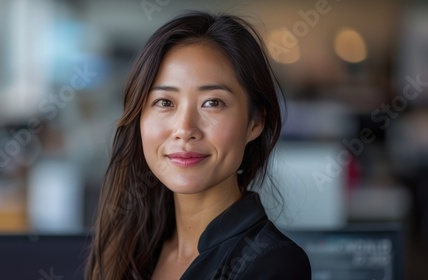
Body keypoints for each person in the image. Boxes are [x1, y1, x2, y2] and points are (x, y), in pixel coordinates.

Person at [85, 11, 311, 280]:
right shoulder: (130, 247)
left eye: (212, 103)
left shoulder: (273, 264)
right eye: (165, 102)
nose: (184, 130)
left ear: (256, 122)